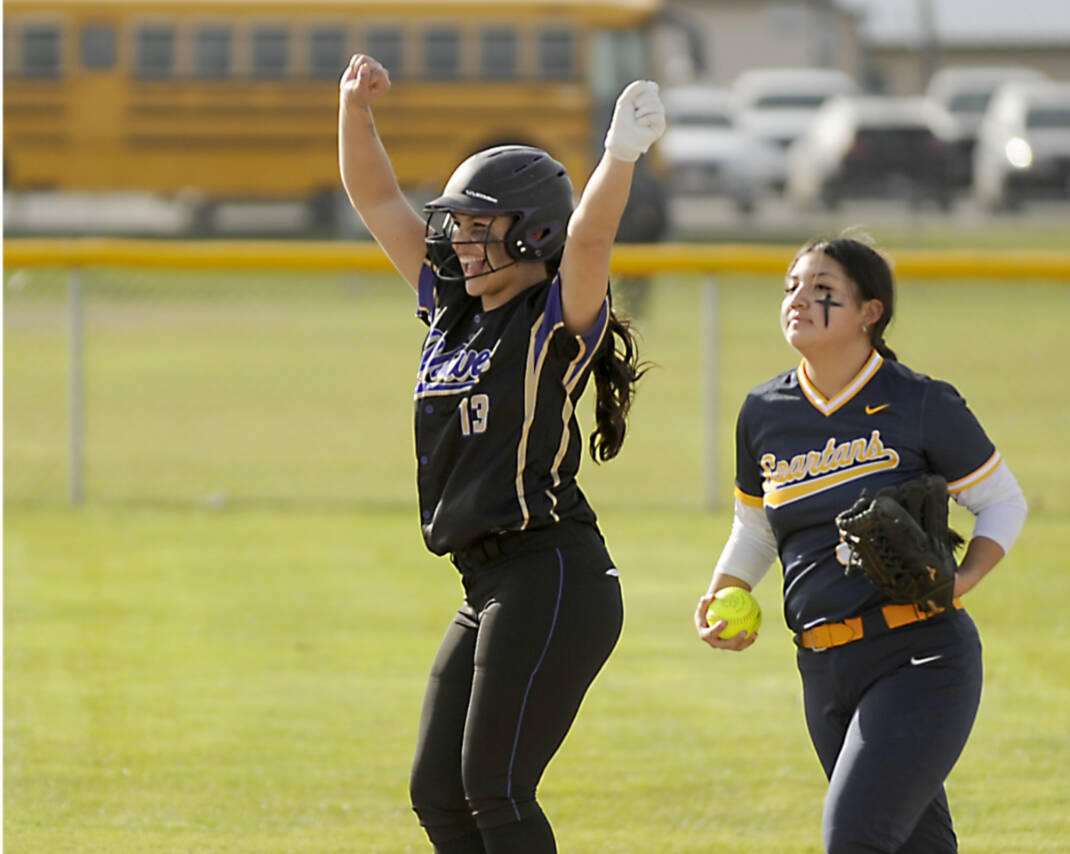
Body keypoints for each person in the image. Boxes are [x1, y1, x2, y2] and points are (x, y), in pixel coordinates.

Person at [338, 54, 665, 853]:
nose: (461, 242)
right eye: (460, 226)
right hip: (485, 580)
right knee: (438, 794)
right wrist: (354, 109)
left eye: (481, 228)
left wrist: (618, 155)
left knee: (495, 788)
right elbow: (377, 198)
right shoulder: (452, 307)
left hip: (551, 573)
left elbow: (590, 242)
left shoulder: (551, 318)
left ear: (532, 233)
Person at [693, 235, 1028, 854]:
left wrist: (962, 581)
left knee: (855, 838)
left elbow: (1003, 501)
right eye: (792, 286)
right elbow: (758, 524)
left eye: (823, 291)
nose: (798, 300)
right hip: (822, 666)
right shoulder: (764, 411)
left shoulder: (919, 401)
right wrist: (727, 588)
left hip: (917, 657)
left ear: (870, 312)